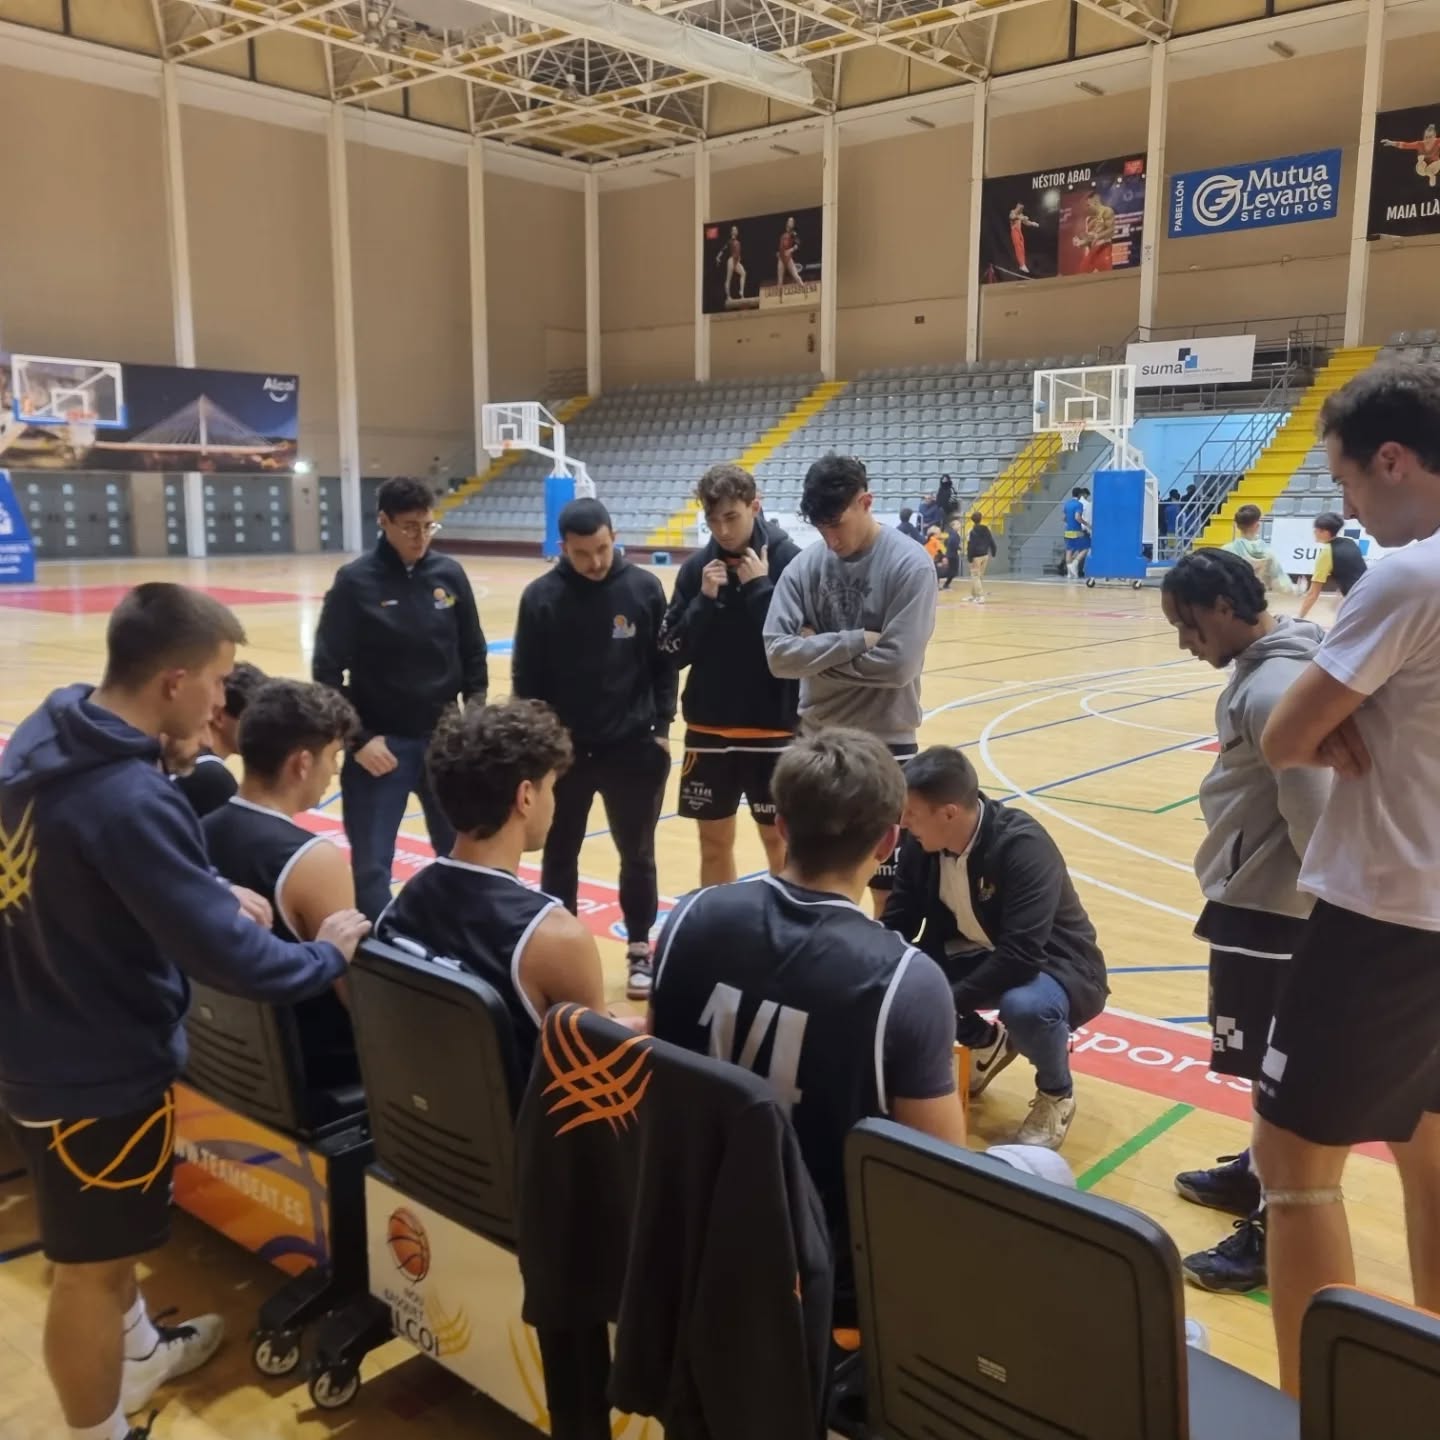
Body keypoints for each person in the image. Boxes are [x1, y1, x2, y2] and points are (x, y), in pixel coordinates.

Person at [0, 583, 369, 1440]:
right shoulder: (129, 799)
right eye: (217, 680)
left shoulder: (51, 731)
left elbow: (95, 870)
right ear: (174, 680)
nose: (221, 702)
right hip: (94, 1071)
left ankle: (138, 1354)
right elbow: (234, 960)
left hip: (36, 1028)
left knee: (107, 1249)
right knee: (88, 1272)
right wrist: (328, 954)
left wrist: (195, 884)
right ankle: (101, 1431)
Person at [1258, 361, 1440, 1395]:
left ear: (1394, 460)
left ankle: (1307, 1412)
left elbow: (1285, 736)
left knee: (1292, 1169)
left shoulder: (1411, 578)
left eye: (1349, 482)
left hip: (1388, 915)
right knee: (1430, 1150)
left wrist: (1331, 722)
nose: (1351, 508)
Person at [649, 729, 966, 1324]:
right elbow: (940, 1173)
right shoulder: (908, 981)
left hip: (685, 1225)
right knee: (1038, 1170)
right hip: (822, 1279)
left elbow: (656, 1060)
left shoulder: (689, 916)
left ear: (783, 825)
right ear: (888, 842)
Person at [1159, 550, 1329, 1295]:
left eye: (1187, 625)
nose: (1184, 642)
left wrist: (1327, 916)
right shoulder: (1262, 671)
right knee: (1262, 1068)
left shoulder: (1274, 688)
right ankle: (1258, 1172)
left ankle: (1270, 1225)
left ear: (1224, 609)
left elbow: (1315, 811)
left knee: (1280, 1078)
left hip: (1275, 911)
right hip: (1253, 898)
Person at [884, 746, 1108, 1150]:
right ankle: (986, 1043)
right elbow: (899, 921)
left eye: (911, 813)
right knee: (898, 979)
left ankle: (1056, 1094)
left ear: (949, 813)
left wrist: (944, 1001)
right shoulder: (920, 845)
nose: (902, 822)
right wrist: (868, 959)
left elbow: (1021, 956)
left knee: (1026, 1008)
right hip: (978, 951)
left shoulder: (1023, 845)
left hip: (1054, 964)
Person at [378, 700, 606, 1077]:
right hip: (521, 1114)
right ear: (526, 796)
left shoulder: (402, 902)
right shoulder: (555, 937)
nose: (554, 802)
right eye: (552, 788)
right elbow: (600, 1075)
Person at [511, 498, 676, 1000]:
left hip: (633, 750)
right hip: (564, 756)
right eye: (583, 553)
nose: (596, 561)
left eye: (602, 548)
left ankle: (640, 948)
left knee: (638, 854)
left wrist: (662, 727)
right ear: (563, 547)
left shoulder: (644, 588)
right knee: (560, 854)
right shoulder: (540, 598)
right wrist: (538, 751)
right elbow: (526, 682)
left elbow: (663, 664)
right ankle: (560, 953)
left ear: (613, 536)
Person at [764, 454, 938, 913]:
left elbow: (898, 666)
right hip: (817, 741)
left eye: (837, 525)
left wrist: (813, 654)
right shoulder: (804, 566)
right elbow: (778, 655)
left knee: (890, 892)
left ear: (866, 502)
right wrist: (856, 641)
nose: (831, 539)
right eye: (821, 528)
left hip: (888, 743)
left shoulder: (911, 566)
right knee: (809, 878)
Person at [313, 476, 488, 919]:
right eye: (410, 527)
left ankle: (461, 942)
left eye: (428, 526)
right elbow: (326, 671)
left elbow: (473, 651)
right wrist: (358, 739)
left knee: (462, 857)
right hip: (380, 749)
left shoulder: (449, 574)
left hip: (445, 745)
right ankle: (377, 950)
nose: (420, 537)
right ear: (384, 522)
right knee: (372, 867)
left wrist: (473, 720)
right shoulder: (354, 583)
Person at [201, 679, 362, 1092]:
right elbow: (354, 996)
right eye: (333, 757)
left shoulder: (194, 833)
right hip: (313, 1074)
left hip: (220, 1055)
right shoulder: (312, 859)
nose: (334, 772)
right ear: (302, 763)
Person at [658, 465, 799, 887]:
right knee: (713, 844)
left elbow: (799, 649)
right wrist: (703, 602)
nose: (722, 530)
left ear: (755, 506)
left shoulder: (789, 561)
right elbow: (672, 653)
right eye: (713, 520)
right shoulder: (696, 570)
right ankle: (721, 923)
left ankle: (785, 922)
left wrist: (760, 590)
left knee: (781, 844)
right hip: (709, 729)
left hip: (776, 729)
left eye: (731, 517)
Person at [172, 661, 266, 819]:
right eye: (253, 721)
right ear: (219, 718)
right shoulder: (212, 777)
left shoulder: (185, 758)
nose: (263, 732)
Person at [1296, 510, 1367, 620]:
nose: (1314, 532)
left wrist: (1299, 618)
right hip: (1370, 591)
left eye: (1316, 529)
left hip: (1358, 601)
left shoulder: (1327, 552)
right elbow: (1354, 572)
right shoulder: (1350, 542)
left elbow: (1313, 594)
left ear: (1325, 532)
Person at [1225, 503, 1295, 595]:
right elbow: (1281, 583)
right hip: (1257, 599)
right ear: (1257, 525)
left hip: (1234, 598)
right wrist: (1296, 589)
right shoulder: (1268, 552)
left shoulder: (1226, 551)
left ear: (1237, 526)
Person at [1381, 122, 1440, 187]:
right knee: (1421, 161)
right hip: (1422, 164)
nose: (1428, 139)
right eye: (1426, 137)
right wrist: (1391, 143)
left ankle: (1431, 175)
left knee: (1430, 169)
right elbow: (1405, 145)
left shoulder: (1438, 142)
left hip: (1435, 163)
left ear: (1434, 136)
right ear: (1424, 136)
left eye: (1430, 137)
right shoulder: (1419, 144)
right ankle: (1425, 168)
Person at [967, 510, 998, 604]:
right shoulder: (986, 529)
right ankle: (974, 595)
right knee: (978, 576)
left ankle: (980, 596)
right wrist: (993, 552)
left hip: (976, 556)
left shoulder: (972, 531)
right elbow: (992, 542)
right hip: (985, 555)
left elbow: (971, 545)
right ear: (981, 519)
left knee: (975, 576)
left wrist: (969, 558)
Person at [1062, 485, 1090, 579]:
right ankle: (1075, 563)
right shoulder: (1078, 504)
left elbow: (1064, 518)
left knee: (1069, 550)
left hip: (1067, 531)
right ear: (1080, 495)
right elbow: (1077, 517)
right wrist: (1086, 524)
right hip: (1077, 531)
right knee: (1086, 546)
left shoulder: (1067, 504)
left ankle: (1070, 573)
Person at [940, 516, 962, 591]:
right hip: (952, 555)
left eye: (959, 524)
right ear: (953, 526)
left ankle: (946, 584)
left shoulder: (952, 533)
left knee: (951, 571)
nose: (959, 525)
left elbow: (946, 543)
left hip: (951, 554)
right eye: (957, 524)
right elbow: (951, 543)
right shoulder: (953, 534)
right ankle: (944, 583)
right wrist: (958, 547)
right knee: (952, 571)